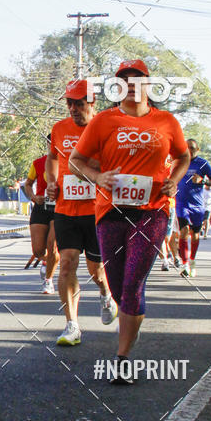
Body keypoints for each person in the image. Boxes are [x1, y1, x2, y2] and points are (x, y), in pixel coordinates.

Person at [69, 59, 190, 379]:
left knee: (133, 281)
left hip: (153, 210)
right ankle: (128, 324)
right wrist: (98, 177)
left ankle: (122, 358)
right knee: (119, 286)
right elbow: (75, 161)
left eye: (138, 79)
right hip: (111, 212)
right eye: (125, 80)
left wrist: (174, 180)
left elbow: (183, 156)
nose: (132, 85)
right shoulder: (104, 121)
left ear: (149, 85)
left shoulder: (166, 121)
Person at [45, 79, 117, 345]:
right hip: (65, 208)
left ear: (92, 102)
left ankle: (106, 293)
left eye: (79, 103)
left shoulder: (107, 128)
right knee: (67, 263)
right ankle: (72, 325)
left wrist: (94, 171)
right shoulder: (59, 128)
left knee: (96, 269)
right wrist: (52, 181)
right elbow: (53, 157)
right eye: (70, 103)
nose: (73, 108)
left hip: (97, 209)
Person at [175, 139, 211, 278]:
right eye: (187, 147)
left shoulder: (203, 163)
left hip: (198, 205)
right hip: (181, 203)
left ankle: (192, 260)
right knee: (184, 231)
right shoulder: (179, 161)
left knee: (195, 234)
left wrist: (203, 181)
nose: (189, 150)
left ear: (197, 149)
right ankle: (185, 264)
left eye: (192, 148)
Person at [23, 135, 58, 294]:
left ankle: (48, 281)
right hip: (41, 206)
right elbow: (28, 184)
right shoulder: (38, 163)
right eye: (50, 143)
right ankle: (46, 262)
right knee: (38, 250)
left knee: (53, 247)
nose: (53, 146)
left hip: (60, 209)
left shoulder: (70, 162)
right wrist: (33, 197)